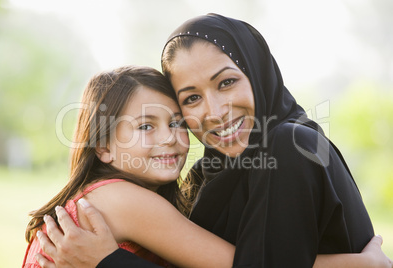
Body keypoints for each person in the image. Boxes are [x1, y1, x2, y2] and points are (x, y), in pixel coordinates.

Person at [35, 14, 393, 268]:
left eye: (226, 82)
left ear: (256, 72)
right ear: (103, 145)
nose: (216, 111)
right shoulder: (207, 175)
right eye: (191, 98)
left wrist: (109, 263)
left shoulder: (291, 145)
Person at [23, 65, 237, 268]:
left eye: (176, 123)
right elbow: (244, 263)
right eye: (145, 126)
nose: (169, 137)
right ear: (103, 148)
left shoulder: (97, 194)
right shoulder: (125, 200)